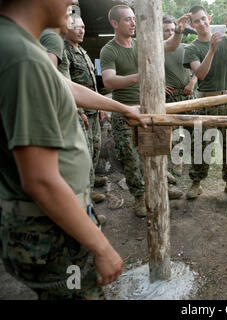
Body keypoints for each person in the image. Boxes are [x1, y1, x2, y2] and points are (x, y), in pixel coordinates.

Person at [0, 0, 146, 299]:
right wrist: (101, 247)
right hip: (50, 232)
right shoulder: (23, 57)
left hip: (45, 223)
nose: (74, 2)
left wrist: (122, 108)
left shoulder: (19, 45)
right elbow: (41, 180)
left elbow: (64, 85)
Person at [100, 5, 190, 216]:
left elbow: (169, 45)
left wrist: (178, 31)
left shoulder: (141, 44)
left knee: (157, 152)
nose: (133, 23)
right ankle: (140, 198)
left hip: (149, 109)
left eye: (134, 19)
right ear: (115, 23)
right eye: (128, 20)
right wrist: (139, 76)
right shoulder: (109, 50)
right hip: (125, 113)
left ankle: (161, 189)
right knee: (131, 159)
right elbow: (109, 81)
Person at [183, 5, 227, 200]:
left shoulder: (226, 39)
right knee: (201, 145)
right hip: (205, 100)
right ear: (192, 24)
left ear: (209, 18)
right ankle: (197, 182)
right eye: (197, 21)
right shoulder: (192, 48)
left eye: (204, 18)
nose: (202, 23)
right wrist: (211, 50)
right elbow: (201, 74)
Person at [65, 14, 108, 203]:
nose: (81, 30)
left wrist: (99, 106)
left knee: (95, 150)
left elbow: (93, 83)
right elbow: (67, 85)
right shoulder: (64, 52)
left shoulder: (81, 50)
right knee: (85, 153)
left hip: (93, 111)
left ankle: (90, 185)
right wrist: (79, 111)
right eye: (76, 27)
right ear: (65, 28)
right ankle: (85, 196)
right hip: (80, 113)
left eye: (83, 27)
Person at [163, 15, 198, 178]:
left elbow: (198, 71)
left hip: (188, 95)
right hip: (170, 98)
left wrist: (192, 83)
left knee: (195, 131)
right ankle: (177, 163)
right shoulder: (158, 50)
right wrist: (160, 86)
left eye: (172, 29)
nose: (170, 33)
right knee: (175, 134)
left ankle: (197, 163)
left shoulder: (186, 48)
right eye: (166, 30)